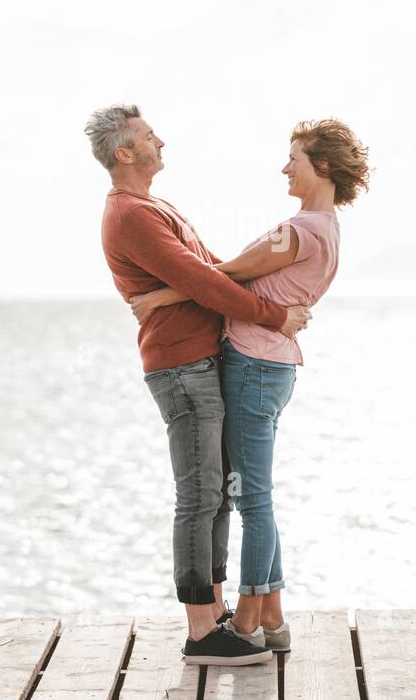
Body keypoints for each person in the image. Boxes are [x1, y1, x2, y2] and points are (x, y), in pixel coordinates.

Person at [130, 118, 370, 655]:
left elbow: (226, 273)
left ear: (322, 167)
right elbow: (232, 274)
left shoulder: (298, 230)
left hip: (254, 366)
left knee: (251, 501)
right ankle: (274, 617)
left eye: (295, 159)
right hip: (273, 366)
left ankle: (245, 621)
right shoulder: (326, 229)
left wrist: (159, 299)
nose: (285, 167)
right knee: (255, 497)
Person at [85, 104, 312, 667]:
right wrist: (272, 315)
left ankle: (215, 619)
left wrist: (188, 291)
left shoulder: (154, 206)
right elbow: (202, 280)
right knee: (199, 496)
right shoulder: (132, 215)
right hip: (179, 365)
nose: (160, 140)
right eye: (147, 136)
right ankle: (201, 631)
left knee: (218, 498)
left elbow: (211, 270)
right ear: (125, 153)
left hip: (201, 360)